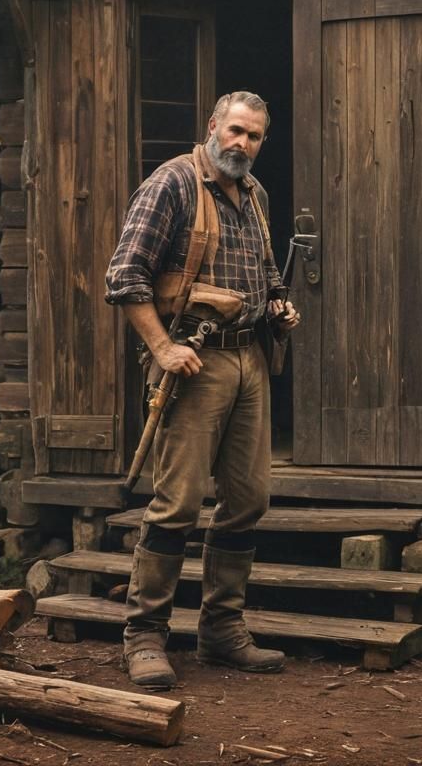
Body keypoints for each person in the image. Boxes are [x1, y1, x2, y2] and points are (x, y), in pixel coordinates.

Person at [105, 91, 301, 690]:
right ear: (213, 127)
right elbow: (124, 274)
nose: (243, 144)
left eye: (255, 136)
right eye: (236, 131)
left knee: (248, 500)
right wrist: (163, 347)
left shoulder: (256, 195)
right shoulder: (172, 185)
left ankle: (221, 631)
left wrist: (278, 305)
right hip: (191, 366)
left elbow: (264, 272)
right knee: (178, 503)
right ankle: (143, 637)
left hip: (249, 360)